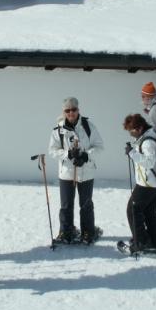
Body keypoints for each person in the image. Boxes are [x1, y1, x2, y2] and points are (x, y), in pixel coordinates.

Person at [48, 97, 104, 244]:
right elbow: (52, 151)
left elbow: (99, 146)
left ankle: (88, 233)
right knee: (66, 205)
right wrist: (67, 154)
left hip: (86, 172)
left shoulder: (88, 126)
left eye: (73, 109)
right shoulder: (58, 130)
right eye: (67, 110)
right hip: (66, 173)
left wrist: (86, 156)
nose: (71, 113)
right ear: (64, 112)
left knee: (86, 205)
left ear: (78, 110)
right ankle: (66, 232)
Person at [123, 113, 156, 253]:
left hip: (148, 183)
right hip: (155, 183)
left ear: (140, 128)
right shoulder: (150, 136)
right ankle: (155, 242)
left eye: (132, 130)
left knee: (133, 210)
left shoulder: (147, 142)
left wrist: (132, 153)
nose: (130, 133)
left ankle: (140, 243)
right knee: (149, 212)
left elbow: (149, 162)